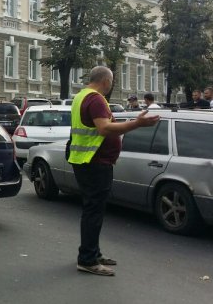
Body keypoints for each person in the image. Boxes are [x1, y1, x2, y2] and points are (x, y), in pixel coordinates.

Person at [68, 66, 159, 276]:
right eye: (112, 81)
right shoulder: (96, 99)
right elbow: (104, 129)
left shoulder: (81, 96)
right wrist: (136, 123)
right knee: (93, 211)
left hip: (84, 160)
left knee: (93, 210)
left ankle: (93, 253)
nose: (112, 85)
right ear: (106, 81)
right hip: (94, 162)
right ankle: (88, 259)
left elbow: (98, 126)